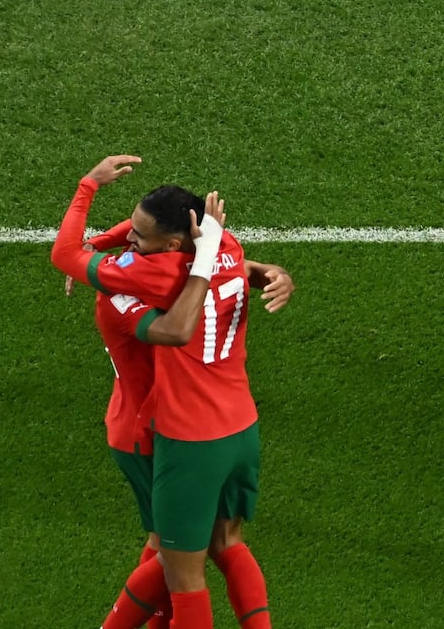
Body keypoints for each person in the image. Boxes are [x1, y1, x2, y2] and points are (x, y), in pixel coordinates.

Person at [52, 158, 274, 629]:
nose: (130, 241)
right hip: (240, 422)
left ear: (173, 244)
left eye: (139, 236)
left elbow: (173, 327)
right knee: (221, 543)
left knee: (175, 563)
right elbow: (235, 268)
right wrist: (264, 268)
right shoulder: (225, 244)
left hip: (170, 433)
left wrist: (88, 193)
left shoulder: (144, 278)